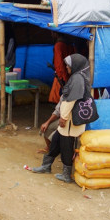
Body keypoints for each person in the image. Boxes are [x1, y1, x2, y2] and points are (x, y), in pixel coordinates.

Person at [30, 54, 91, 182]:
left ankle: (66, 175)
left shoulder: (77, 79)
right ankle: (46, 166)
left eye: (69, 65)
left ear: (76, 65)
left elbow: (71, 100)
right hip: (67, 120)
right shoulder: (77, 77)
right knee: (56, 140)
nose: (67, 67)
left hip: (70, 121)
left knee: (66, 146)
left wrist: (63, 117)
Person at [48, 32, 75, 104]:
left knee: (59, 99)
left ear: (56, 34)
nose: (51, 35)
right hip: (69, 74)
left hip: (62, 76)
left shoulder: (58, 45)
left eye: (52, 33)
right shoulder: (70, 44)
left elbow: (59, 63)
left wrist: (63, 77)